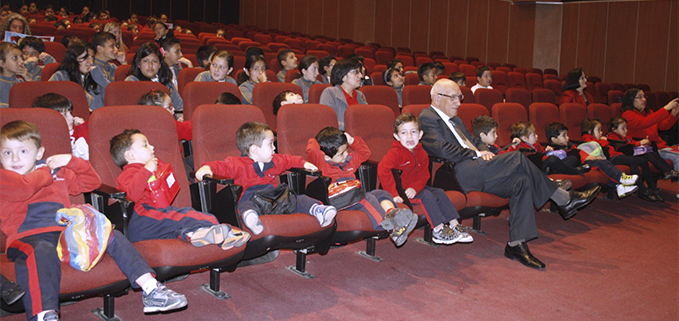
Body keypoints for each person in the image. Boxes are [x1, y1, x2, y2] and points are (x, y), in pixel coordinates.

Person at [0, 120, 187, 320]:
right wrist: (46, 171)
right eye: (6, 153)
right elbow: (25, 188)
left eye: (23, 151)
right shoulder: (6, 177)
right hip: (27, 238)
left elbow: (92, 182)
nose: (14, 158)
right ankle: (43, 314)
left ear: (39, 153)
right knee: (41, 251)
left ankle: (151, 289)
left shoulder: (58, 174)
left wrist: (71, 161)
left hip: (64, 234)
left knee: (109, 234)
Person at [419, 79, 601, 270]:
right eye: (454, 97)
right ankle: (562, 198)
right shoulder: (427, 118)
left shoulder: (455, 120)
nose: (459, 102)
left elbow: (474, 140)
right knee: (518, 159)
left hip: (480, 169)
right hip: (457, 173)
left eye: (460, 97)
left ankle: (517, 244)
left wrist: (485, 151)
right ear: (437, 97)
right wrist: (476, 153)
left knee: (521, 181)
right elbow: (441, 149)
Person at [110, 129, 250, 247]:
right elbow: (130, 196)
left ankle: (198, 235)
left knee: (178, 225)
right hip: (140, 221)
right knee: (186, 215)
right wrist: (146, 170)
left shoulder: (149, 171)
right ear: (130, 155)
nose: (152, 147)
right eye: (145, 145)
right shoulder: (128, 174)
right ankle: (226, 231)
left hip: (154, 222)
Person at [195, 122, 337, 235]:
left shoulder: (274, 160)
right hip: (252, 199)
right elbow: (219, 166)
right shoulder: (236, 163)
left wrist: (304, 163)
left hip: (275, 198)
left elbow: (290, 160)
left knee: (298, 199)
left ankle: (319, 210)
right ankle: (251, 219)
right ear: (254, 150)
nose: (274, 148)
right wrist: (206, 168)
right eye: (270, 144)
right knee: (245, 205)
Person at [307, 126, 419, 246]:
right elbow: (311, 149)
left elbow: (365, 153)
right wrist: (319, 143)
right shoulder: (323, 163)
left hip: (354, 197)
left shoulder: (349, 160)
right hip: (339, 201)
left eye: (346, 150)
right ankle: (392, 229)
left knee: (380, 193)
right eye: (341, 154)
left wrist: (351, 141)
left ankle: (394, 214)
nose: (346, 155)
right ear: (326, 156)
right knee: (368, 199)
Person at [378, 113, 474, 245]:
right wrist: (393, 194)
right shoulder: (395, 153)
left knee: (439, 192)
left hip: (415, 188)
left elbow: (425, 175)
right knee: (427, 195)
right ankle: (438, 230)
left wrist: (415, 187)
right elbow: (382, 169)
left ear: (420, 134)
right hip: (402, 190)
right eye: (404, 133)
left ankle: (454, 225)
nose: (410, 137)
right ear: (396, 136)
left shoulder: (422, 153)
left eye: (413, 132)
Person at [545, 121, 639, 198]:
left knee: (601, 162)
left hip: (580, 164)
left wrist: (588, 157)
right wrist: (586, 157)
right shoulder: (551, 149)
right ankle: (621, 179)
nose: (568, 138)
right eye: (564, 136)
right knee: (597, 163)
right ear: (554, 139)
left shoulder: (569, 146)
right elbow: (551, 162)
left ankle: (619, 185)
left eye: (567, 135)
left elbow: (579, 152)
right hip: (571, 167)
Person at [582, 118, 661, 202]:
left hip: (616, 155)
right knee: (635, 161)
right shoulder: (588, 139)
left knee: (639, 162)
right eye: (598, 130)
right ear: (590, 132)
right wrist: (603, 141)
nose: (601, 133)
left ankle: (650, 189)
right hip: (611, 158)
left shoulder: (599, 139)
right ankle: (643, 190)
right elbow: (600, 148)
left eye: (601, 130)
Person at [621, 88, 679, 171]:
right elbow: (645, 122)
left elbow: (664, 126)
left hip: (659, 146)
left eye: (644, 96)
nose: (644, 99)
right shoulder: (627, 115)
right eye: (639, 97)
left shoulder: (649, 112)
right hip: (646, 150)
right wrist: (665, 108)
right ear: (631, 100)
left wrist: (673, 114)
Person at [608, 116, 678, 181]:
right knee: (647, 155)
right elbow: (625, 145)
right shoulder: (612, 136)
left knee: (652, 153)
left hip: (633, 153)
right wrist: (639, 143)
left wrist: (643, 143)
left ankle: (668, 170)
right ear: (614, 129)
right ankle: (666, 171)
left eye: (626, 128)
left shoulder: (627, 137)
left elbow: (633, 142)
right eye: (623, 129)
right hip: (626, 155)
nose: (626, 131)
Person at [125, 42, 184, 112]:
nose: (150, 65)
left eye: (154, 61)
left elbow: (180, 108)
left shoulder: (166, 82)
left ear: (159, 65)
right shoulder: (131, 82)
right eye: (145, 61)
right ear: (139, 64)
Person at [49, 43, 108, 111]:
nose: (91, 62)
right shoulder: (60, 77)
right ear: (74, 59)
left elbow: (109, 98)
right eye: (85, 58)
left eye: (92, 58)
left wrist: (100, 78)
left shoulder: (94, 75)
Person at [32, 93, 88, 160]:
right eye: (64, 114)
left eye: (70, 113)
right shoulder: (44, 137)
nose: (71, 118)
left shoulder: (79, 129)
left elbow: (90, 154)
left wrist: (83, 128)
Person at [319, 58, 367, 130]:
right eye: (355, 72)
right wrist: (355, 128)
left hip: (361, 135)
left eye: (360, 72)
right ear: (343, 76)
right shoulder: (330, 93)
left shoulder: (360, 95)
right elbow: (327, 121)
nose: (360, 76)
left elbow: (367, 119)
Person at [0, 42, 31, 107]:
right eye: (15, 58)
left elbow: (36, 100)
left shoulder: (20, 82)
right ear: (2, 63)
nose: (21, 61)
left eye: (21, 57)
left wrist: (28, 78)